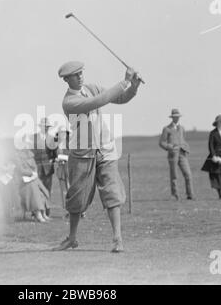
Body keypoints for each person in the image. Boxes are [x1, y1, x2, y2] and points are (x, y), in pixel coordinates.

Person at [53, 61, 142, 253]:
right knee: (77, 197)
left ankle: (117, 239)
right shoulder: (69, 101)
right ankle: (72, 238)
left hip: (105, 149)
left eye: (81, 73)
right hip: (82, 152)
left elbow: (119, 98)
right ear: (66, 79)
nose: (80, 76)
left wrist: (133, 86)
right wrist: (124, 81)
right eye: (75, 75)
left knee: (112, 193)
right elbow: (98, 101)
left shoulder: (91, 87)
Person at [159, 109, 194, 200]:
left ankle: (190, 195)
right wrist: (170, 147)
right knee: (174, 175)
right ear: (172, 117)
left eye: (178, 116)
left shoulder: (182, 128)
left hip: (182, 154)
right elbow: (162, 142)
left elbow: (183, 140)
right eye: (175, 116)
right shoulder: (166, 129)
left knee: (188, 174)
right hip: (172, 154)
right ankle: (175, 195)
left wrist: (186, 147)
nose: (177, 118)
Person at [16, 136, 51, 223]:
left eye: (28, 143)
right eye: (26, 143)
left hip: (33, 178)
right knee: (34, 190)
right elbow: (20, 170)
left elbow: (35, 167)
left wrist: (34, 173)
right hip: (23, 181)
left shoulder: (31, 155)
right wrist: (31, 173)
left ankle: (43, 213)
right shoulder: (18, 156)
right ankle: (38, 213)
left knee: (43, 190)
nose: (28, 145)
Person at [201, 115, 221, 200]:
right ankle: (220, 193)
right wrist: (214, 156)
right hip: (217, 158)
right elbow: (211, 145)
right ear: (216, 123)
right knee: (217, 176)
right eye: (219, 122)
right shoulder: (213, 133)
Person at [32, 117, 58, 216]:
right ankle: (36, 212)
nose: (46, 128)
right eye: (44, 126)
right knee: (37, 190)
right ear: (40, 127)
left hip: (48, 169)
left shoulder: (52, 138)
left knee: (47, 190)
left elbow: (55, 152)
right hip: (37, 167)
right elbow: (31, 152)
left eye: (47, 126)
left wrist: (53, 160)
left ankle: (46, 212)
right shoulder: (34, 137)